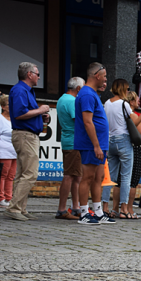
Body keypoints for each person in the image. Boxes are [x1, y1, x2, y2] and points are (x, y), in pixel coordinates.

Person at [6, 62, 49, 221]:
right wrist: (41, 110)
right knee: (30, 173)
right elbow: (19, 113)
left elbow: (26, 112)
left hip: (27, 134)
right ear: (29, 74)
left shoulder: (27, 91)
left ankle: (20, 208)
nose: (38, 77)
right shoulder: (20, 90)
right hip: (25, 135)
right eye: (37, 74)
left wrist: (40, 115)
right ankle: (14, 207)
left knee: (22, 173)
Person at [102, 78, 141, 219]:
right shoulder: (124, 104)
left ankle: (105, 207)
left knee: (109, 177)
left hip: (110, 140)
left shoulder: (107, 103)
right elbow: (134, 121)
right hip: (123, 141)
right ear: (123, 89)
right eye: (127, 88)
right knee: (126, 177)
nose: (128, 91)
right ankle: (124, 209)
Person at [75, 62, 114, 225]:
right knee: (88, 177)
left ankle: (98, 211)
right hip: (90, 144)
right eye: (104, 76)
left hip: (99, 144)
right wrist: (96, 145)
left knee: (98, 178)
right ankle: (84, 212)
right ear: (96, 76)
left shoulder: (92, 94)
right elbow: (88, 122)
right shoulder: (87, 95)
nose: (105, 79)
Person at [115, 91, 141, 218]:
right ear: (131, 102)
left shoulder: (121, 114)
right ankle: (129, 209)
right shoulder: (135, 115)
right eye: (137, 100)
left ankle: (115, 208)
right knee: (133, 181)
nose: (139, 102)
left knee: (119, 180)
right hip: (137, 149)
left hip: (122, 145)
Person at [55, 77, 85, 220]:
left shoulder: (62, 99)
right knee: (70, 175)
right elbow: (79, 121)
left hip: (68, 140)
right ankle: (62, 209)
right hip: (74, 142)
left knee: (76, 175)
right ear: (78, 89)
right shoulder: (72, 101)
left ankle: (76, 206)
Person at [0, 94, 15, 208]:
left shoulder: (15, 118)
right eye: (10, 105)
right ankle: (1, 198)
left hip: (15, 151)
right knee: (3, 175)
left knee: (11, 176)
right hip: (4, 151)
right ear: (3, 106)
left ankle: (8, 197)